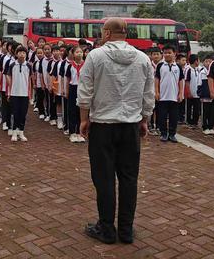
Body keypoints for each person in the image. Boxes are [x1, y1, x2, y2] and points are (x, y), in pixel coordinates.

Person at [78, 18, 154, 245]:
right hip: (130, 126)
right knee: (129, 179)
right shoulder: (143, 59)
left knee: (104, 179)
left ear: (108, 33)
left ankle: (107, 228)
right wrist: (144, 120)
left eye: (102, 32)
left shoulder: (95, 56)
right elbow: (148, 95)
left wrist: (84, 120)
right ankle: (126, 230)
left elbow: (85, 91)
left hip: (103, 125)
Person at [155, 45, 184, 143]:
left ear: (174, 54)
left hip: (174, 97)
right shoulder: (160, 65)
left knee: (174, 117)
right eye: (165, 53)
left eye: (169, 52)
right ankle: (163, 133)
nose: (167, 54)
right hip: (163, 96)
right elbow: (157, 79)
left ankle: (172, 134)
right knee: (162, 116)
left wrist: (180, 93)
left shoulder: (178, 66)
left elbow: (181, 80)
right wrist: (157, 92)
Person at [6, 46, 32, 142]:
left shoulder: (28, 66)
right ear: (16, 54)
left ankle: (21, 132)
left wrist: (30, 95)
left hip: (25, 94)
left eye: (24, 53)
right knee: (15, 113)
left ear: (26, 55)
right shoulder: (13, 65)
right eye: (20, 52)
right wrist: (10, 90)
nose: (22, 54)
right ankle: (14, 132)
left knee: (23, 114)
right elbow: (8, 75)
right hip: (14, 93)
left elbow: (30, 80)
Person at [65, 46, 86, 143]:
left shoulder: (86, 65)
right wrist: (66, 91)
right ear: (73, 54)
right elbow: (68, 79)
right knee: (72, 110)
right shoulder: (70, 66)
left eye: (81, 52)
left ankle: (79, 132)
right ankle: (72, 132)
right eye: (77, 52)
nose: (79, 54)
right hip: (73, 88)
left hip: (82, 89)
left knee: (80, 111)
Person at [199, 55, 214, 135]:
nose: (208, 63)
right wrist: (200, 94)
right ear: (203, 62)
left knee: (212, 112)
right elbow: (199, 84)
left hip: (212, 96)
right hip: (205, 95)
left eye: (210, 61)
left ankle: (211, 126)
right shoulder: (202, 72)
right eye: (206, 61)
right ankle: (205, 127)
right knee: (205, 112)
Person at [185, 54, 201, 128]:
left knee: (196, 109)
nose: (199, 62)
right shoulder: (188, 69)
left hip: (196, 94)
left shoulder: (197, 70)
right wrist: (189, 92)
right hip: (190, 94)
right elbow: (187, 82)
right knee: (188, 108)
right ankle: (188, 121)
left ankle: (195, 122)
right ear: (196, 61)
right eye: (198, 60)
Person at [176, 53, 188, 124]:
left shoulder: (186, 68)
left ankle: (181, 118)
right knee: (177, 105)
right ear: (178, 61)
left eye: (185, 60)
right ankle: (177, 118)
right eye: (183, 60)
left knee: (182, 105)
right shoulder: (176, 68)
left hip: (183, 90)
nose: (185, 62)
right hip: (177, 90)